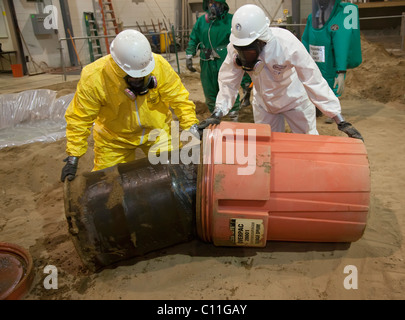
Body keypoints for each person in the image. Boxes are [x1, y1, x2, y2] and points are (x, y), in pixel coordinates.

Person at [198, 4, 363, 141]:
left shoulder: (287, 44)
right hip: (264, 104)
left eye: (248, 51)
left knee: (308, 143)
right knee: (266, 147)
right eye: (241, 50)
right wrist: (218, 113)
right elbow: (228, 82)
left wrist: (339, 119)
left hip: (294, 101)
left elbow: (313, 79)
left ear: (262, 41)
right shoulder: (235, 49)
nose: (243, 56)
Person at [61, 29, 199, 182]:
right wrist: (73, 155)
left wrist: (191, 125)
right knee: (107, 185)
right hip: (114, 139)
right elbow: (79, 117)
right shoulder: (94, 77)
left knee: (176, 174)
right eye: (134, 78)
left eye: (142, 76)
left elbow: (179, 97)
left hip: (157, 131)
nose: (139, 81)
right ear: (119, 67)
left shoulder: (159, 65)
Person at [185, 0, 251, 121]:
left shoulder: (231, 20)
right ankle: (214, 116)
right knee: (209, 89)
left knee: (228, 85)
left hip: (225, 58)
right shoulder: (201, 22)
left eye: (216, 2)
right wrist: (189, 54)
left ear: (223, 5)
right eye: (210, 3)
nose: (213, 6)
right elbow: (194, 38)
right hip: (207, 60)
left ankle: (233, 115)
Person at [302, 0, 362, 122]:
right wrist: (302, 60)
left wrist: (341, 71)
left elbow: (342, 46)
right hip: (315, 62)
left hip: (330, 63)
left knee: (331, 86)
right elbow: (305, 41)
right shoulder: (311, 19)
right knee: (314, 84)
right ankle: (317, 108)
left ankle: (334, 112)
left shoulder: (338, 20)